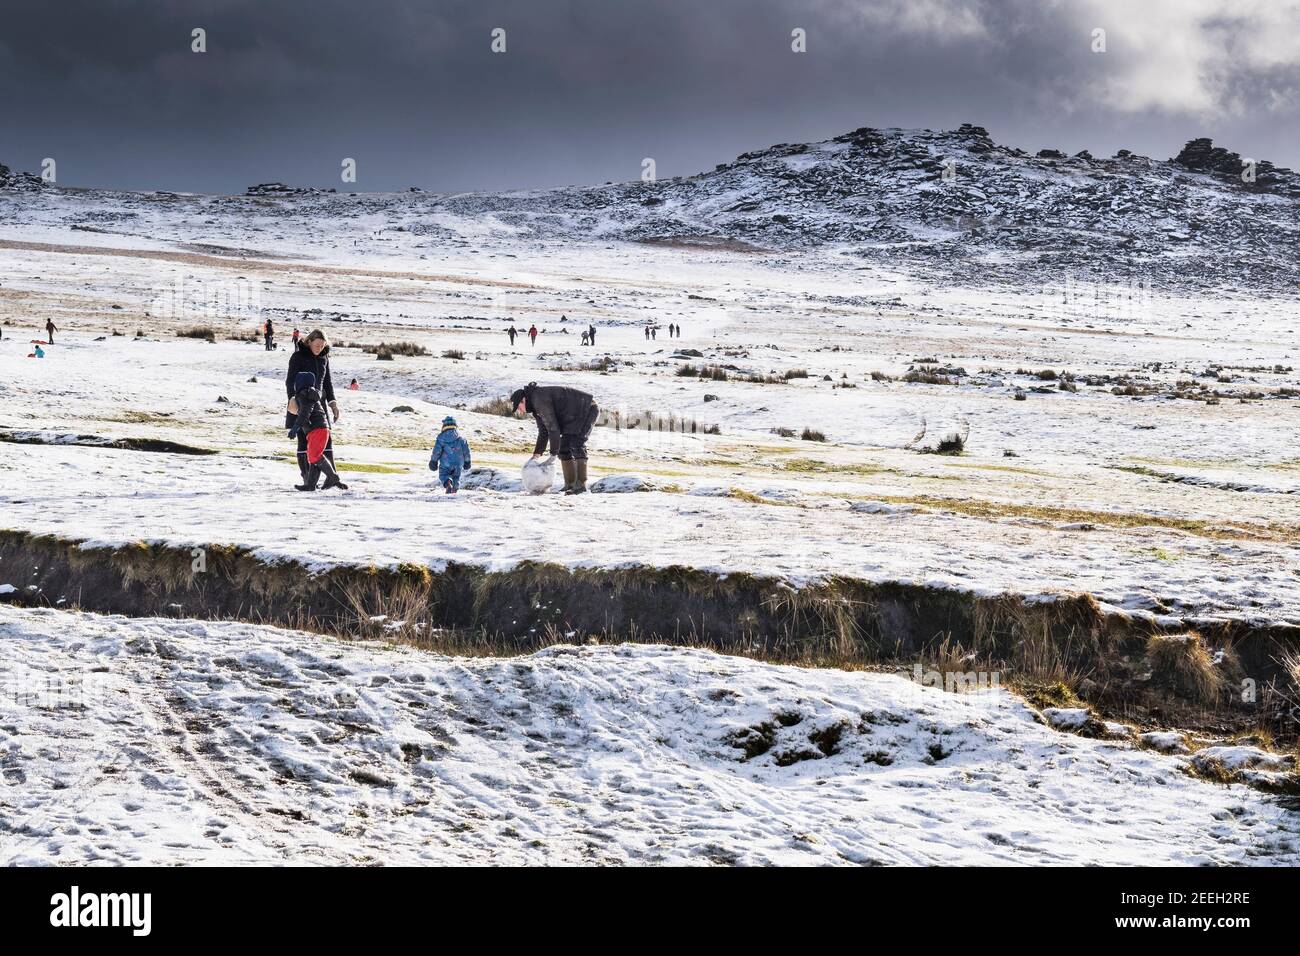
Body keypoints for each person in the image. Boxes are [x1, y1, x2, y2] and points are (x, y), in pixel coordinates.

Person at [510, 381, 599, 495]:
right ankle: (570, 485)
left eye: (518, 406)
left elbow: (553, 428)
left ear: (523, 400)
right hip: (572, 416)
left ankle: (581, 486)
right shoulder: (535, 405)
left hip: (587, 408)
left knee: (577, 443)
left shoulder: (539, 400)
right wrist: (536, 454)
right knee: (563, 447)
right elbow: (543, 432)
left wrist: (552, 455)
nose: (519, 410)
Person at [285, 329, 340, 484]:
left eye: (322, 346)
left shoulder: (324, 358)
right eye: (317, 345)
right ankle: (307, 478)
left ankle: (332, 477)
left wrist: (333, 403)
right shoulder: (298, 357)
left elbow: (327, 383)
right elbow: (290, 381)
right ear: (309, 342)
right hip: (300, 402)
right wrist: (292, 399)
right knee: (303, 440)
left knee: (326, 440)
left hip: (319, 406)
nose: (319, 348)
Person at [288, 371, 348, 491]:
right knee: (313, 457)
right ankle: (310, 485)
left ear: (299, 383)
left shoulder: (304, 394)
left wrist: (295, 427)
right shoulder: (310, 394)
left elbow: (305, 413)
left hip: (317, 429)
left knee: (315, 456)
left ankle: (332, 477)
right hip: (318, 429)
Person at [428, 415, 472, 494]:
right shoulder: (462, 438)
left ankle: (448, 484)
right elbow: (466, 451)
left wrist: (433, 461)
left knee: (443, 474)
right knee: (456, 476)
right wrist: (467, 461)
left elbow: (437, 451)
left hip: (446, 462)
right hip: (459, 462)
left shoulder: (441, 438)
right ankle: (454, 490)